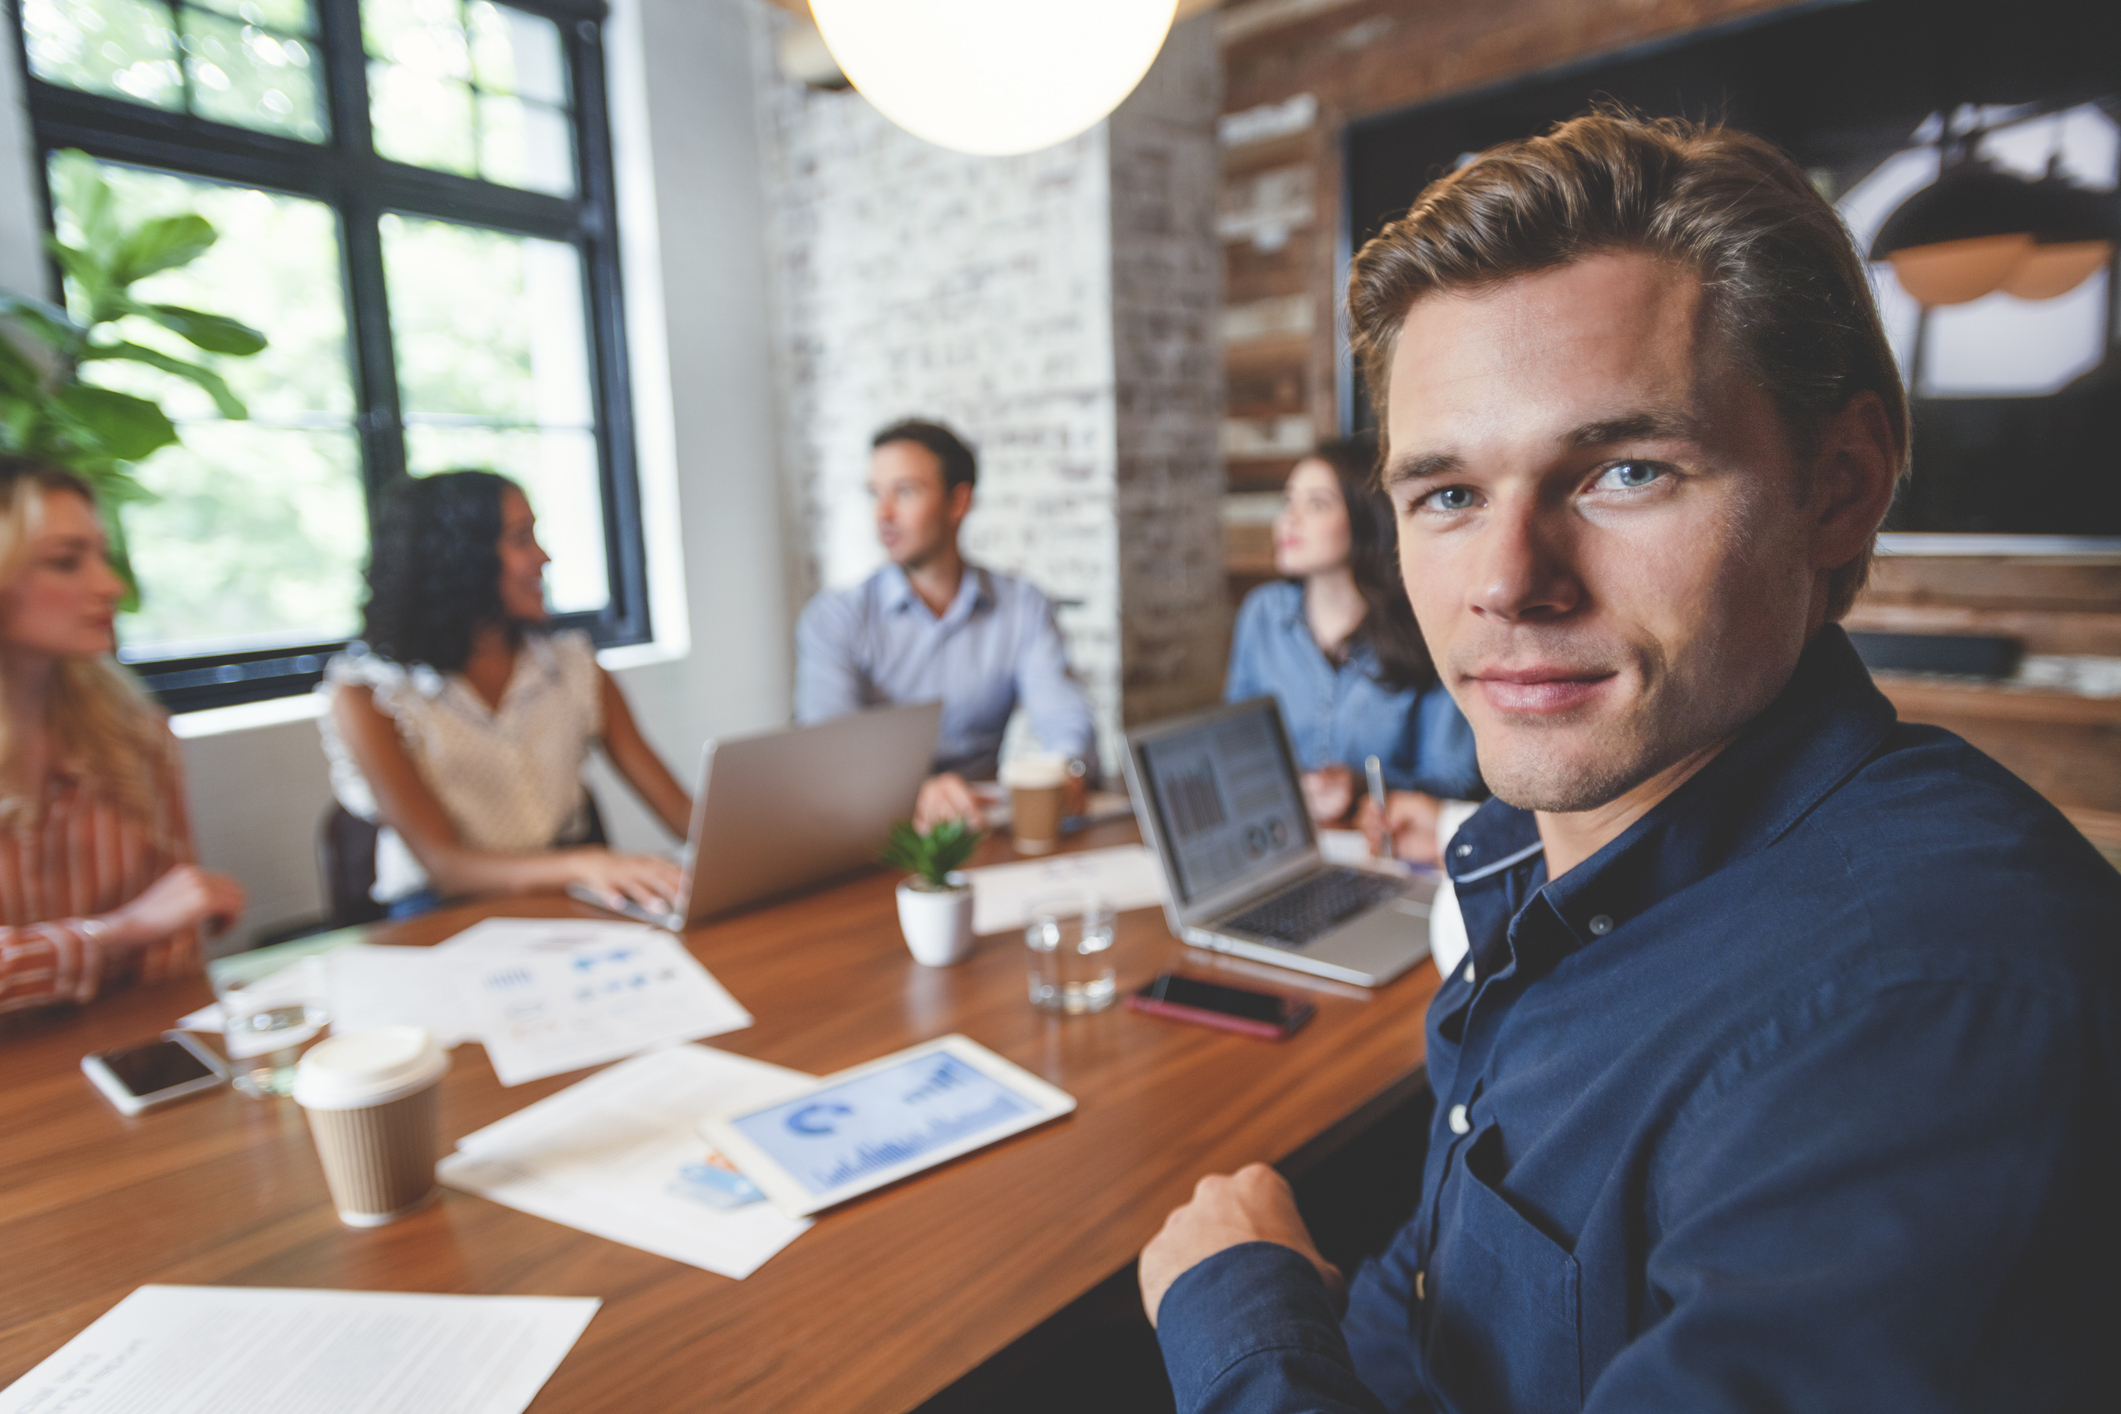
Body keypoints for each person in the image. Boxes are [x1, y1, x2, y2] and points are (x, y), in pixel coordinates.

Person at [1140, 112, 2120, 1411]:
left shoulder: (1926, 1011)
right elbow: (1441, 1309)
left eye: (1623, 470)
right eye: (1445, 494)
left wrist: (1245, 1322)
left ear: (1840, 485)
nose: (1505, 583)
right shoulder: (1527, 852)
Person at [321, 471, 692, 918]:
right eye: (521, 540)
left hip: (562, 898)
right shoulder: (370, 696)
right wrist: (585, 861)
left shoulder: (573, 667)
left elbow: (683, 815)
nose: (544, 558)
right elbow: (447, 867)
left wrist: (771, 837)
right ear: (459, 560)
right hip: (439, 911)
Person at [0, 458, 244, 1014]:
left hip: (118, 1053)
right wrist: (119, 932)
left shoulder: (133, 729)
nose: (110, 585)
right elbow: (150, 922)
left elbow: (175, 937)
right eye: (66, 562)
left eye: (101, 556)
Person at [794, 419, 1097, 828]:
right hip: (875, 833)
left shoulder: (1022, 606)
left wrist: (1067, 770)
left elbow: (1066, 723)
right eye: (874, 494)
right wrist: (914, 794)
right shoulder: (835, 619)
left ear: (958, 503)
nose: (882, 514)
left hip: (983, 826)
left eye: (905, 492)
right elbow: (827, 755)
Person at [1226, 434, 1480, 861]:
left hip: (1389, 853)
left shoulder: (1421, 623)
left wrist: (1360, 788)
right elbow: (1238, 745)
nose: (1289, 520)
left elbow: (1457, 779)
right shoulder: (1263, 614)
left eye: (1316, 505)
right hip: (1282, 849)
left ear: (1365, 519)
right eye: (1289, 502)